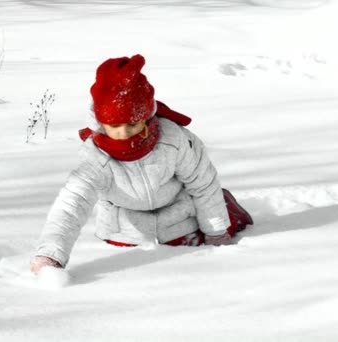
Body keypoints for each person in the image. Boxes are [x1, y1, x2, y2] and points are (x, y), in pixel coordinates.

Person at [30, 54, 253, 274]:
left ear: (146, 116)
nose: (123, 133)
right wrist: (51, 254)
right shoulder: (96, 159)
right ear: (100, 121)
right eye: (114, 125)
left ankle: (226, 206)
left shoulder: (173, 141)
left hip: (181, 222)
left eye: (133, 124)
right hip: (125, 232)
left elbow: (202, 184)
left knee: (220, 212)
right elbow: (72, 205)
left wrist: (216, 234)